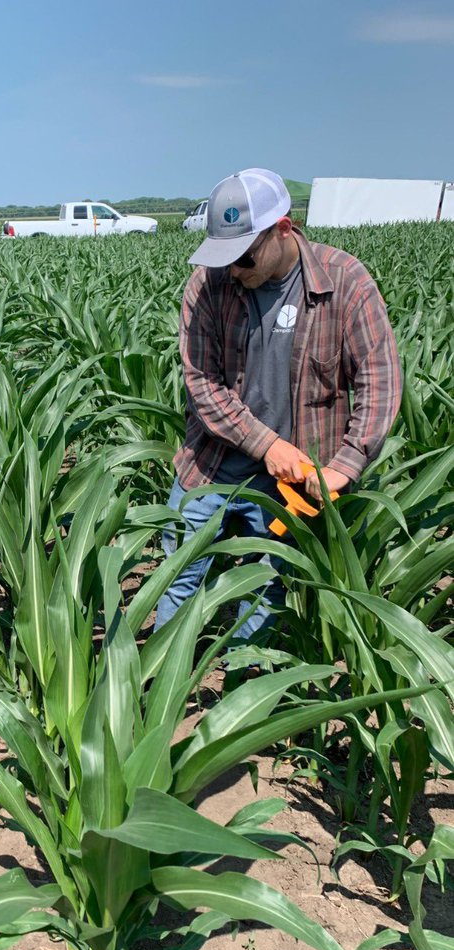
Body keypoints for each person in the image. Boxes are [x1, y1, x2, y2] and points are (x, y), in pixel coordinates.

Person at [155, 167, 401, 641]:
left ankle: (241, 701)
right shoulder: (207, 287)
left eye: (244, 257)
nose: (233, 271)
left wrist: (345, 466)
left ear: (283, 229)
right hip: (211, 467)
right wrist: (267, 444)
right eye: (224, 257)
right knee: (179, 579)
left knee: (263, 593)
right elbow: (201, 383)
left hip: (290, 483)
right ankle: (152, 700)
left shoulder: (346, 283)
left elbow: (380, 381)